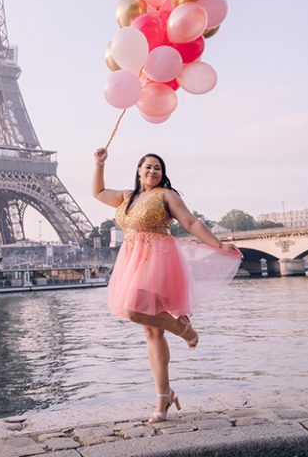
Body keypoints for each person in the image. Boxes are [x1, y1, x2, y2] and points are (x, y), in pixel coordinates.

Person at [92, 147, 242, 424]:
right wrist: (99, 164)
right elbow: (99, 193)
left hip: (157, 259)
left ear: (163, 174)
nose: (152, 171)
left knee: (133, 310)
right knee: (151, 330)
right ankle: (164, 396)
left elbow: (190, 222)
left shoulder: (166, 196)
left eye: (157, 168)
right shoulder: (127, 196)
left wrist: (218, 245)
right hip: (132, 260)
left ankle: (186, 330)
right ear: (139, 170)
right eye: (147, 167)